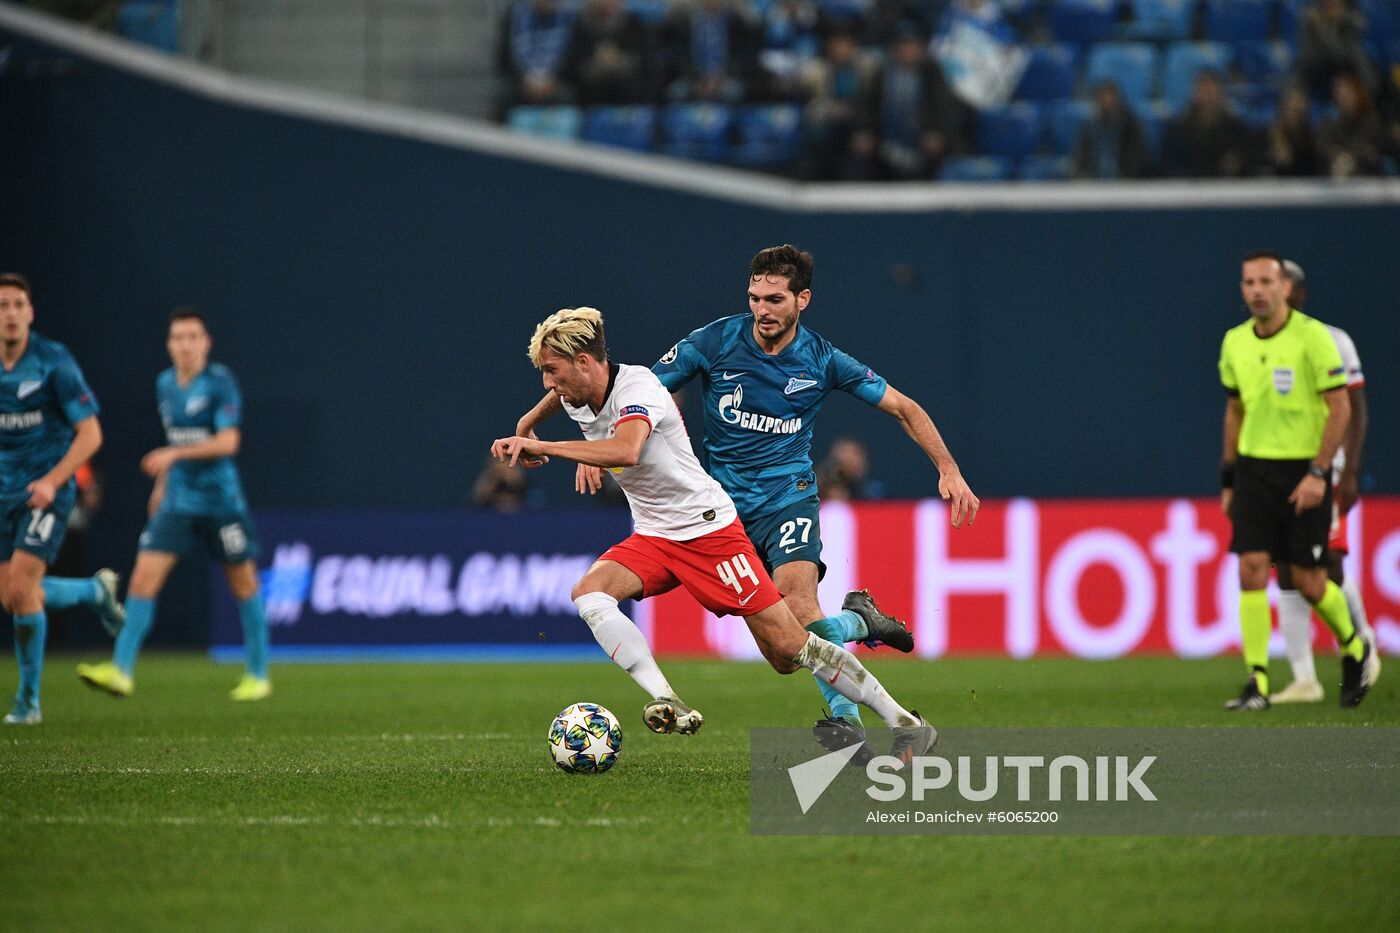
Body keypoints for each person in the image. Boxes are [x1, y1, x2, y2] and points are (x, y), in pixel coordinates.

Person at [494, 307, 937, 759]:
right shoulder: (573, 393)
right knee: (590, 592)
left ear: (585, 361)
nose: (548, 383)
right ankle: (666, 698)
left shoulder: (639, 388)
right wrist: (527, 422)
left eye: (552, 370)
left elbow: (626, 450)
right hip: (655, 535)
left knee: (788, 651)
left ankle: (903, 719)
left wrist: (541, 444)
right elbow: (561, 401)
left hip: (708, 531)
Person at [76, 308, 271, 701]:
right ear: (169, 345)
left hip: (221, 501)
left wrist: (172, 457)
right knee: (144, 577)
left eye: (192, 337)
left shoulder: (220, 383)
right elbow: (177, 439)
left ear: (206, 343)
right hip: (179, 501)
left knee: (244, 582)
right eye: (177, 338)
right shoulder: (165, 383)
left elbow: (228, 443)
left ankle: (258, 674)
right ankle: (121, 670)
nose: (185, 345)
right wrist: (162, 485)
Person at [1218, 250, 1372, 710]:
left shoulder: (1314, 338)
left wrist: (1320, 472)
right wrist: (1229, 477)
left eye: (1266, 281)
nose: (1257, 291)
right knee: (1251, 569)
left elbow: (1341, 406)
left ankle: (1355, 643)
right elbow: (1236, 409)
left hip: (1304, 468)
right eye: (1249, 283)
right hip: (1254, 469)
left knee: (1308, 580)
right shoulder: (1234, 343)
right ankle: (1258, 681)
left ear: (1285, 287)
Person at [0, 273, 117, 725]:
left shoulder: (54, 363)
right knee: (12, 597)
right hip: (5, 494)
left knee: (21, 588)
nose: (10, 314)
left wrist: (52, 481)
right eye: (3, 306)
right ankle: (93, 590)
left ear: (30, 313)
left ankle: (28, 703)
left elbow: (91, 434)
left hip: (46, 492)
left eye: (17, 305)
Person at [1272, 259, 1379, 703]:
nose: (1273, 293)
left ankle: (1362, 644)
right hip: (1276, 469)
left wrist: (1347, 470)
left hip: (1323, 469)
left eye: (1281, 284)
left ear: (1297, 292)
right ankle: (1304, 677)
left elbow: (1354, 409)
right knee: (1286, 570)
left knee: (1326, 564)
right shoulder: (1260, 344)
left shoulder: (1331, 340)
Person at [1074, 80, 1148, 180]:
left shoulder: (1130, 126)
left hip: (1124, 183)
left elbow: (1136, 159)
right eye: (1102, 99)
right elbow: (1081, 157)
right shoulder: (1089, 127)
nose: (1107, 103)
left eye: (1110, 99)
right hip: (1094, 183)